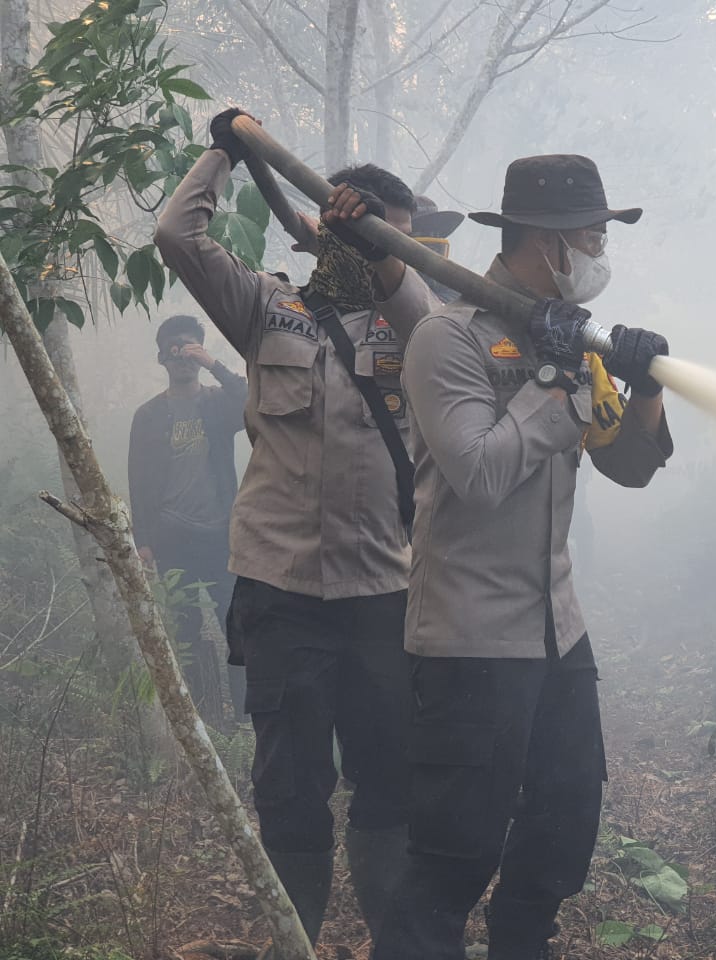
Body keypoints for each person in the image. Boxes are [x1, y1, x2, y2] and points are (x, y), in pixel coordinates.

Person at [326, 153, 674, 959]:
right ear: (547, 240)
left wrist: (642, 380)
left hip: (558, 629)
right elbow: (478, 473)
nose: (598, 250)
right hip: (471, 641)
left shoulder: (575, 339)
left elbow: (627, 465)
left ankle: (522, 944)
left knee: (565, 821)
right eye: (591, 234)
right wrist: (550, 385)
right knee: (456, 854)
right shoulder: (447, 338)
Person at [154, 108, 426, 951]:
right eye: (386, 238)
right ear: (324, 232)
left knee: (388, 781)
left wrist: (385, 251)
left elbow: (427, 312)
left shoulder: (422, 331)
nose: (394, 258)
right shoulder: (267, 308)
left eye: (401, 246)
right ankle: (295, 939)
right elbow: (175, 232)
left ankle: (392, 937)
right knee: (290, 787)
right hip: (280, 594)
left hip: (384, 593)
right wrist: (226, 150)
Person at [128, 314, 247, 725]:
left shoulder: (217, 402)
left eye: (189, 347)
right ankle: (211, 720)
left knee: (237, 627)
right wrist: (142, 540)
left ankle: (247, 721)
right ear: (163, 358)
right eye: (175, 348)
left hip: (221, 537)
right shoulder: (148, 416)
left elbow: (252, 403)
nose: (182, 355)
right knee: (188, 633)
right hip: (173, 536)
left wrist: (215, 364)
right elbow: (138, 482)